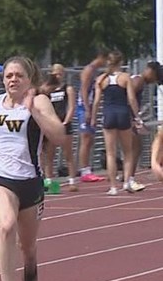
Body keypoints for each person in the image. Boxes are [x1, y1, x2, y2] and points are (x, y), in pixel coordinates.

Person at [0, 57, 67, 281]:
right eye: (9, 76)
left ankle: (31, 262)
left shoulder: (38, 102)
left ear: (29, 79)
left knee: (27, 245)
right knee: (6, 225)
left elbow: (59, 136)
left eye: (18, 76)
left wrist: (34, 112)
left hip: (30, 183)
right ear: (3, 79)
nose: (13, 80)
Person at [90, 51, 144, 195]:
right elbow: (131, 99)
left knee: (110, 153)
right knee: (127, 151)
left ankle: (113, 187)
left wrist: (93, 118)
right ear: (120, 63)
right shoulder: (125, 77)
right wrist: (137, 116)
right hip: (122, 114)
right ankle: (126, 182)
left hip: (108, 114)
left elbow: (96, 102)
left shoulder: (101, 79)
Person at [39, 63, 76, 190]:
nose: (58, 76)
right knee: (49, 154)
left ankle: (72, 180)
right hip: (51, 124)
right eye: (55, 74)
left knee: (68, 153)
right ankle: (49, 181)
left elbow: (71, 107)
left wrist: (66, 122)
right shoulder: (46, 89)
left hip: (64, 124)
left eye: (60, 73)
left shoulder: (68, 88)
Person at [75, 49, 107, 182]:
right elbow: (83, 89)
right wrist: (87, 109)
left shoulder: (95, 71)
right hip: (84, 106)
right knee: (86, 138)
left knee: (90, 139)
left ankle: (87, 168)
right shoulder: (89, 70)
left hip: (89, 105)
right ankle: (84, 170)